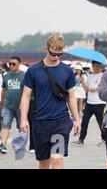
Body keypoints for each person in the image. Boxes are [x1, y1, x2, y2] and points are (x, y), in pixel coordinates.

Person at [20, 35, 81, 169]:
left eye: (60, 54)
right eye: (53, 53)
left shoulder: (67, 71)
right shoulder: (33, 70)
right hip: (40, 122)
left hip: (61, 121)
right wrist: (23, 119)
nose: (56, 57)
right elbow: (25, 95)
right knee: (44, 162)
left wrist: (77, 120)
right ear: (46, 49)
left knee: (56, 158)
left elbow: (72, 96)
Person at [0, 57, 25, 154]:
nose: (11, 66)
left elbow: (27, 91)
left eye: (13, 64)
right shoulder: (6, 76)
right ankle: (3, 144)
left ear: (19, 64)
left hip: (20, 106)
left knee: (21, 126)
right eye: (10, 64)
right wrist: (2, 101)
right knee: (6, 124)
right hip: (8, 105)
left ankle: (20, 146)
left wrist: (24, 103)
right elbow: (4, 90)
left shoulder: (24, 75)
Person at [74, 61, 106, 146]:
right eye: (95, 66)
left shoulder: (102, 76)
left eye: (98, 66)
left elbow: (98, 88)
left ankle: (104, 138)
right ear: (92, 66)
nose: (96, 68)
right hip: (89, 102)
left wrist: (92, 88)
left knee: (100, 122)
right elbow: (86, 89)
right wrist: (83, 82)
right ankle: (81, 139)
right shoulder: (90, 76)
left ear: (101, 66)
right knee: (84, 121)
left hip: (99, 102)